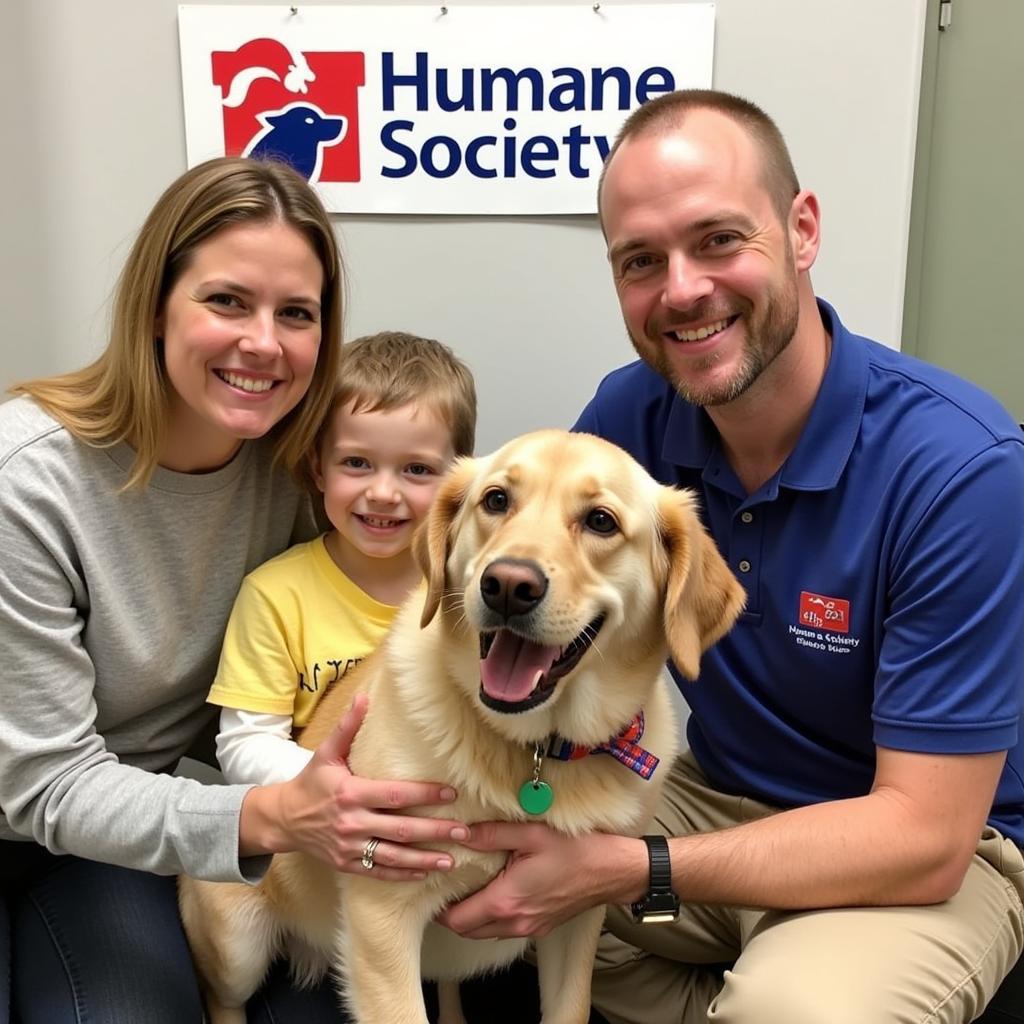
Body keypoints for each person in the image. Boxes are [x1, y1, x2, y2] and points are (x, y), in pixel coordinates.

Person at [439, 89, 1024, 1024]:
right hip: (702, 797)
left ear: (801, 230)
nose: (680, 289)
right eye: (641, 260)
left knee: (792, 1011)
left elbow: (925, 834)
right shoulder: (628, 419)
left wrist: (632, 867)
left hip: (913, 854)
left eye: (718, 240)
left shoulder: (961, 469)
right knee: (474, 884)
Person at [0, 158, 468, 1024]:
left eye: (296, 314)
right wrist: (280, 810)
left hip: (145, 829)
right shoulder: (25, 482)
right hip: (36, 812)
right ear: (153, 309)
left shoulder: (305, 473)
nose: (264, 343)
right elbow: (46, 787)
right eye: (226, 301)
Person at [207, 330, 476, 790]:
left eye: (417, 469)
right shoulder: (276, 595)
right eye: (356, 463)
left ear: (458, 477)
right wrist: (353, 790)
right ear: (318, 468)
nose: (384, 494)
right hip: (323, 826)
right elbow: (245, 746)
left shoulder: (469, 592)